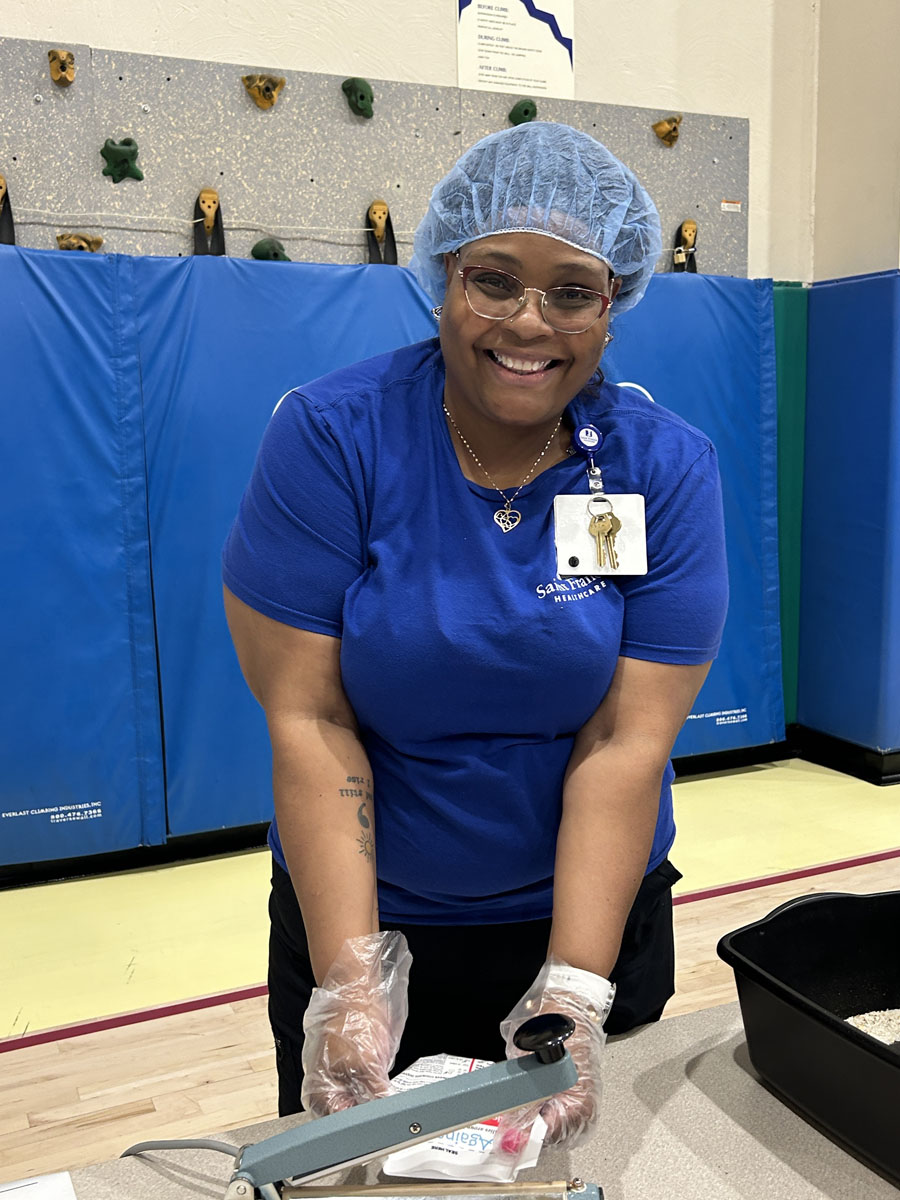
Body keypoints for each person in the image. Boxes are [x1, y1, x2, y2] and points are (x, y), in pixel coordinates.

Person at [222, 121, 728, 1150]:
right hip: (366, 924)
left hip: (589, 925)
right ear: (443, 276)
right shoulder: (334, 438)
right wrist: (351, 984)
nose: (528, 322)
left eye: (572, 291)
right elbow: (310, 719)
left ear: (615, 304)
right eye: (494, 280)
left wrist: (575, 990)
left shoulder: (661, 467)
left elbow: (626, 740)